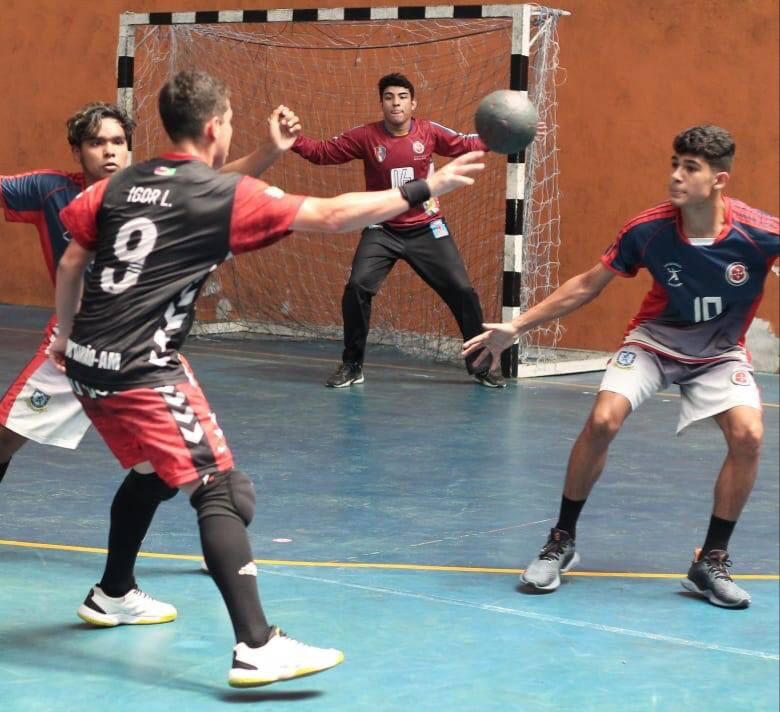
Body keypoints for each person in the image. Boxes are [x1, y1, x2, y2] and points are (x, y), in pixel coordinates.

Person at [50, 70, 484, 686]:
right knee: (224, 493)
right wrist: (426, 186)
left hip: (89, 362)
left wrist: (65, 337)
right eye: (228, 122)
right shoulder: (221, 197)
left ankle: (113, 593)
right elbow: (334, 215)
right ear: (214, 128)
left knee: (152, 473)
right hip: (143, 368)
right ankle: (257, 644)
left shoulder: (122, 185)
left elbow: (73, 258)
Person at [1, 99, 304, 624]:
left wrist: (267, 152)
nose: (110, 151)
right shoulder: (50, 190)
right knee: (4, 437)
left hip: (138, 351)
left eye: (119, 141)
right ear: (78, 151)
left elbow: (219, 180)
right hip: (76, 346)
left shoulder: (151, 188)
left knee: (165, 470)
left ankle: (123, 586)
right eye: (98, 143)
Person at [463, 125, 778, 609]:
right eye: (674, 163)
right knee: (604, 419)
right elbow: (588, 284)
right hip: (654, 342)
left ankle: (711, 560)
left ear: (719, 179)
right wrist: (517, 326)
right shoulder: (648, 229)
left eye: (689, 168)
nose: (675, 175)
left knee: (750, 437)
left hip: (719, 352)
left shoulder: (758, 233)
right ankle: (561, 540)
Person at [291, 72, 519, 388]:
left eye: (401, 97)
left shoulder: (429, 132)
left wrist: (506, 133)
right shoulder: (366, 136)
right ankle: (352, 365)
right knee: (357, 287)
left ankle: (480, 365)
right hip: (381, 228)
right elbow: (322, 153)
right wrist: (293, 139)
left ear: (413, 103)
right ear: (382, 103)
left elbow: (466, 144)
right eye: (388, 97)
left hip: (428, 228)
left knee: (463, 292)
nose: (395, 103)